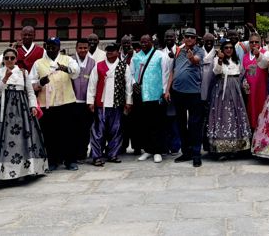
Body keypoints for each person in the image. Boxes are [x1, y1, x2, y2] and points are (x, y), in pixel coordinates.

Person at [0, 48, 47, 182]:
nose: (9, 60)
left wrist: (33, 106)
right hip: (2, 108)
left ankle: (25, 169)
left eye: (12, 58)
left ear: (16, 59)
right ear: (3, 59)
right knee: (2, 138)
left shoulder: (24, 72)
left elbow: (30, 92)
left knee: (22, 138)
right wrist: (5, 78)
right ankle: (2, 171)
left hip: (21, 107)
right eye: (6, 58)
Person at [31, 37, 80, 171]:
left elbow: (76, 73)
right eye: (49, 46)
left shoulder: (68, 59)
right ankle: (52, 160)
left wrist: (65, 69)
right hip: (47, 104)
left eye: (54, 46)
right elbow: (31, 84)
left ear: (59, 47)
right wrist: (41, 82)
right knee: (49, 134)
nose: (51, 49)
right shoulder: (38, 63)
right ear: (45, 46)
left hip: (66, 102)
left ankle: (70, 161)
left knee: (69, 133)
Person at [164, 28, 206, 167]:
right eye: (187, 37)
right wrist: (167, 90)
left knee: (195, 124)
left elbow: (196, 61)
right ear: (183, 38)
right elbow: (172, 71)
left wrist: (190, 56)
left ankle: (196, 154)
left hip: (194, 92)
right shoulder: (177, 51)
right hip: (178, 91)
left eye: (192, 37)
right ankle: (185, 151)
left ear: (195, 39)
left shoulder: (199, 50)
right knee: (181, 123)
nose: (189, 39)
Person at [87, 43, 133, 166]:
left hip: (117, 104)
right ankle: (96, 156)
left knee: (116, 130)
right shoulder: (99, 66)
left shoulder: (124, 67)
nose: (109, 53)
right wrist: (90, 101)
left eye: (112, 51)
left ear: (118, 52)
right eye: (108, 51)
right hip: (100, 104)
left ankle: (113, 154)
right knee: (98, 131)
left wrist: (129, 102)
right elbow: (92, 85)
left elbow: (128, 85)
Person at [208, 41, 252, 157]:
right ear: (222, 49)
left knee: (236, 115)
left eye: (231, 48)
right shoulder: (217, 59)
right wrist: (220, 60)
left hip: (236, 90)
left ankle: (238, 147)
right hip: (222, 90)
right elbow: (216, 71)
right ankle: (222, 147)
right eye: (226, 48)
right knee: (223, 116)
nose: (228, 50)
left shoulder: (237, 61)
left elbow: (242, 74)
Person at [130, 34, 170, 163]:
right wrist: (133, 83)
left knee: (157, 123)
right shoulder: (136, 57)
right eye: (141, 42)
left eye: (146, 42)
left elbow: (165, 74)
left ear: (151, 42)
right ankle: (147, 150)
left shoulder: (160, 55)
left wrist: (165, 91)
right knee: (144, 124)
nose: (143, 44)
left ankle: (158, 150)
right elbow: (130, 73)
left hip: (156, 94)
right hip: (141, 95)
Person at [71, 38, 96, 162]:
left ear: (88, 48)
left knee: (85, 129)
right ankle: (72, 154)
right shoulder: (70, 60)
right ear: (76, 48)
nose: (83, 50)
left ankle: (82, 153)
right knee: (72, 129)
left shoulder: (92, 62)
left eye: (85, 48)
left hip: (86, 102)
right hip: (72, 102)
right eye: (80, 48)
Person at [242, 33, 269, 130]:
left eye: (256, 42)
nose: (254, 44)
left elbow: (264, 64)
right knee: (251, 111)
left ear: (260, 43)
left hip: (262, 88)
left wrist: (258, 55)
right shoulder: (245, 56)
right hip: (250, 90)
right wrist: (244, 82)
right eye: (251, 42)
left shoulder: (265, 53)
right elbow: (243, 72)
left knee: (262, 110)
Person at [200, 33, 218, 152]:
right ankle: (202, 144)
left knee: (212, 118)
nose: (209, 42)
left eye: (211, 40)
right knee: (201, 119)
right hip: (199, 89)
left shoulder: (217, 54)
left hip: (213, 89)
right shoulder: (198, 52)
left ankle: (211, 144)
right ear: (203, 41)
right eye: (207, 40)